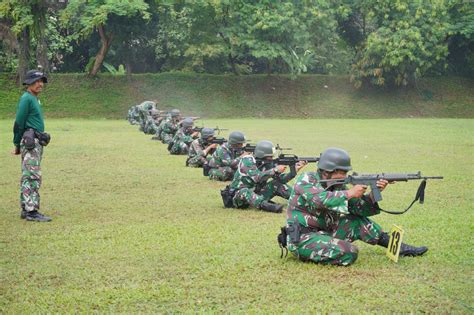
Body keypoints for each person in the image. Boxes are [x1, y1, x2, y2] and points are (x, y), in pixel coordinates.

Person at [283, 147, 428, 266]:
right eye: (342, 172)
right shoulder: (307, 180)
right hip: (303, 238)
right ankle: (310, 252)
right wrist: (349, 193)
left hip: (325, 232)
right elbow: (319, 200)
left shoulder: (338, 185)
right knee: (349, 252)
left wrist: (372, 195)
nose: (345, 175)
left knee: (356, 221)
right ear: (327, 170)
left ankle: (398, 247)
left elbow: (358, 209)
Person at [12, 70, 52, 222]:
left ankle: (26, 208)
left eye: (41, 81)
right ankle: (31, 211)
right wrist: (17, 143)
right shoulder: (26, 98)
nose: (40, 84)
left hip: (36, 141)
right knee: (32, 175)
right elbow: (19, 123)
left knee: (29, 174)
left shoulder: (35, 99)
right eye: (36, 81)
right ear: (29, 83)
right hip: (29, 142)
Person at [229, 140, 306, 213]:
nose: (272, 158)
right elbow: (256, 177)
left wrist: (294, 170)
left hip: (256, 194)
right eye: (270, 156)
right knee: (245, 191)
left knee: (277, 184)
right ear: (262, 155)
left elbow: (281, 180)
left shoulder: (267, 162)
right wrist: (275, 170)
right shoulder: (247, 160)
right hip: (239, 197)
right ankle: (270, 207)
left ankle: (302, 201)